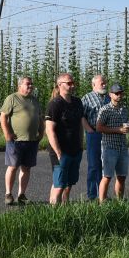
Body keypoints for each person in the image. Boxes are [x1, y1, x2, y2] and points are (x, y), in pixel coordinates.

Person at [0, 75, 43, 206]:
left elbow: (40, 118)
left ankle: (21, 195)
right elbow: (3, 117)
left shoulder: (34, 100)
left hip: (31, 140)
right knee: (13, 167)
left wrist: (41, 132)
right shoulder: (12, 98)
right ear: (20, 85)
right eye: (28, 84)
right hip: (16, 140)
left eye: (31, 84)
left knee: (26, 168)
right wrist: (7, 133)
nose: (31, 86)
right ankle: (8, 193)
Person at [46, 73, 85, 205]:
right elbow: (49, 130)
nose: (72, 85)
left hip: (75, 149)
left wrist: (81, 145)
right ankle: (53, 213)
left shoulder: (77, 102)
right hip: (61, 151)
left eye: (73, 82)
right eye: (69, 83)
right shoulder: (55, 104)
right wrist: (58, 152)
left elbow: (80, 124)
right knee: (59, 185)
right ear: (60, 85)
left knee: (69, 183)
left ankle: (65, 207)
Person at [96, 84, 129, 202]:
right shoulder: (105, 109)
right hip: (109, 147)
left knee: (122, 177)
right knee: (107, 176)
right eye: (116, 93)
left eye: (121, 93)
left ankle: (120, 201)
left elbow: (127, 125)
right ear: (110, 94)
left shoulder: (124, 109)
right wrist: (118, 130)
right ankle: (102, 202)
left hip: (122, 147)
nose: (119, 95)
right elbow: (99, 127)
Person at [81, 75, 109, 201]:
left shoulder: (109, 97)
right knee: (94, 164)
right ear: (93, 85)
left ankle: (103, 195)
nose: (104, 85)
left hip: (108, 134)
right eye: (101, 83)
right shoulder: (87, 98)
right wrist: (89, 130)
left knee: (106, 165)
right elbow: (81, 116)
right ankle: (92, 195)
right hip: (94, 134)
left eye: (105, 83)